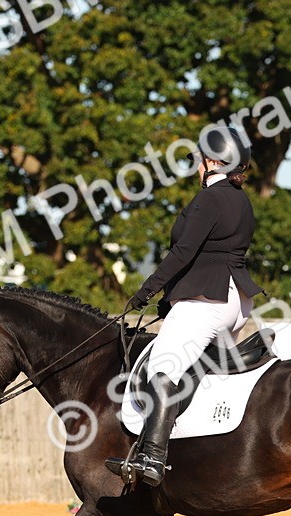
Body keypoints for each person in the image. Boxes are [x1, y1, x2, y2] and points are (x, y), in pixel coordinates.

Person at [115, 126, 264, 486]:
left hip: (206, 301)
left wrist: (146, 292)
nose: (197, 167)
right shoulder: (242, 200)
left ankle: (151, 457)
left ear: (213, 161)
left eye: (200, 160)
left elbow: (182, 252)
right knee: (192, 371)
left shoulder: (209, 199)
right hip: (237, 302)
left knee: (162, 371)